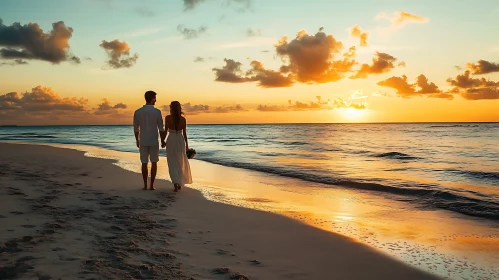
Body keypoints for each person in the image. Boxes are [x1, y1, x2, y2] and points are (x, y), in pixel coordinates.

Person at [133, 91, 166, 190]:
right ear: (152, 99)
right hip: (153, 141)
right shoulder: (157, 112)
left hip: (143, 140)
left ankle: (145, 185)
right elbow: (161, 128)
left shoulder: (138, 112)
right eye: (155, 98)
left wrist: (137, 140)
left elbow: (136, 128)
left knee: (144, 163)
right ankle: (151, 185)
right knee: (154, 162)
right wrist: (163, 140)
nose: (156, 100)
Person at [165, 101, 192, 192]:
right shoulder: (183, 119)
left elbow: (165, 131)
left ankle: (175, 183)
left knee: (172, 162)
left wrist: (162, 140)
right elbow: (185, 134)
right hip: (180, 140)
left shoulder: (168, 118)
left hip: (171, 139)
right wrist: (187, 146)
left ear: (171, 108)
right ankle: (179, 181)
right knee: (180, 161)